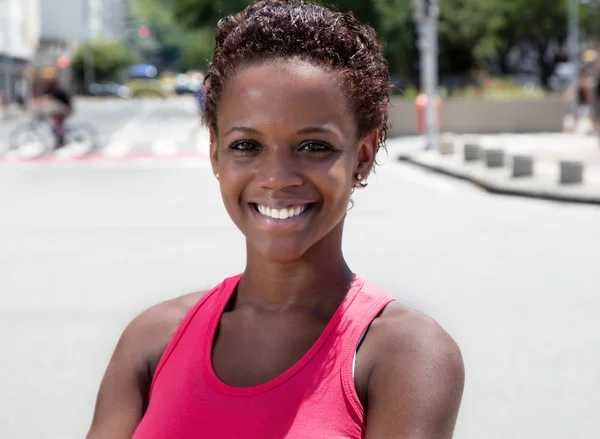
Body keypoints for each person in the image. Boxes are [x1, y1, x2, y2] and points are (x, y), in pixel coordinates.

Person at [86, 1, 465, 438]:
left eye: (313, 147)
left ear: (362, 156)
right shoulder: (152, 339)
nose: (277, 178)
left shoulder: (405, 354)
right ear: (215, 154)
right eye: (246, 146)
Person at [40, 80, 73, 149]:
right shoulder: (49, 91)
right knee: (56, 125)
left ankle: (61, 140)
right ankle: (60, 140)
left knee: (58, 125)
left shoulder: (57, 91)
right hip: (59, 110)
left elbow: (53, 102)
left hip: (63, 110)